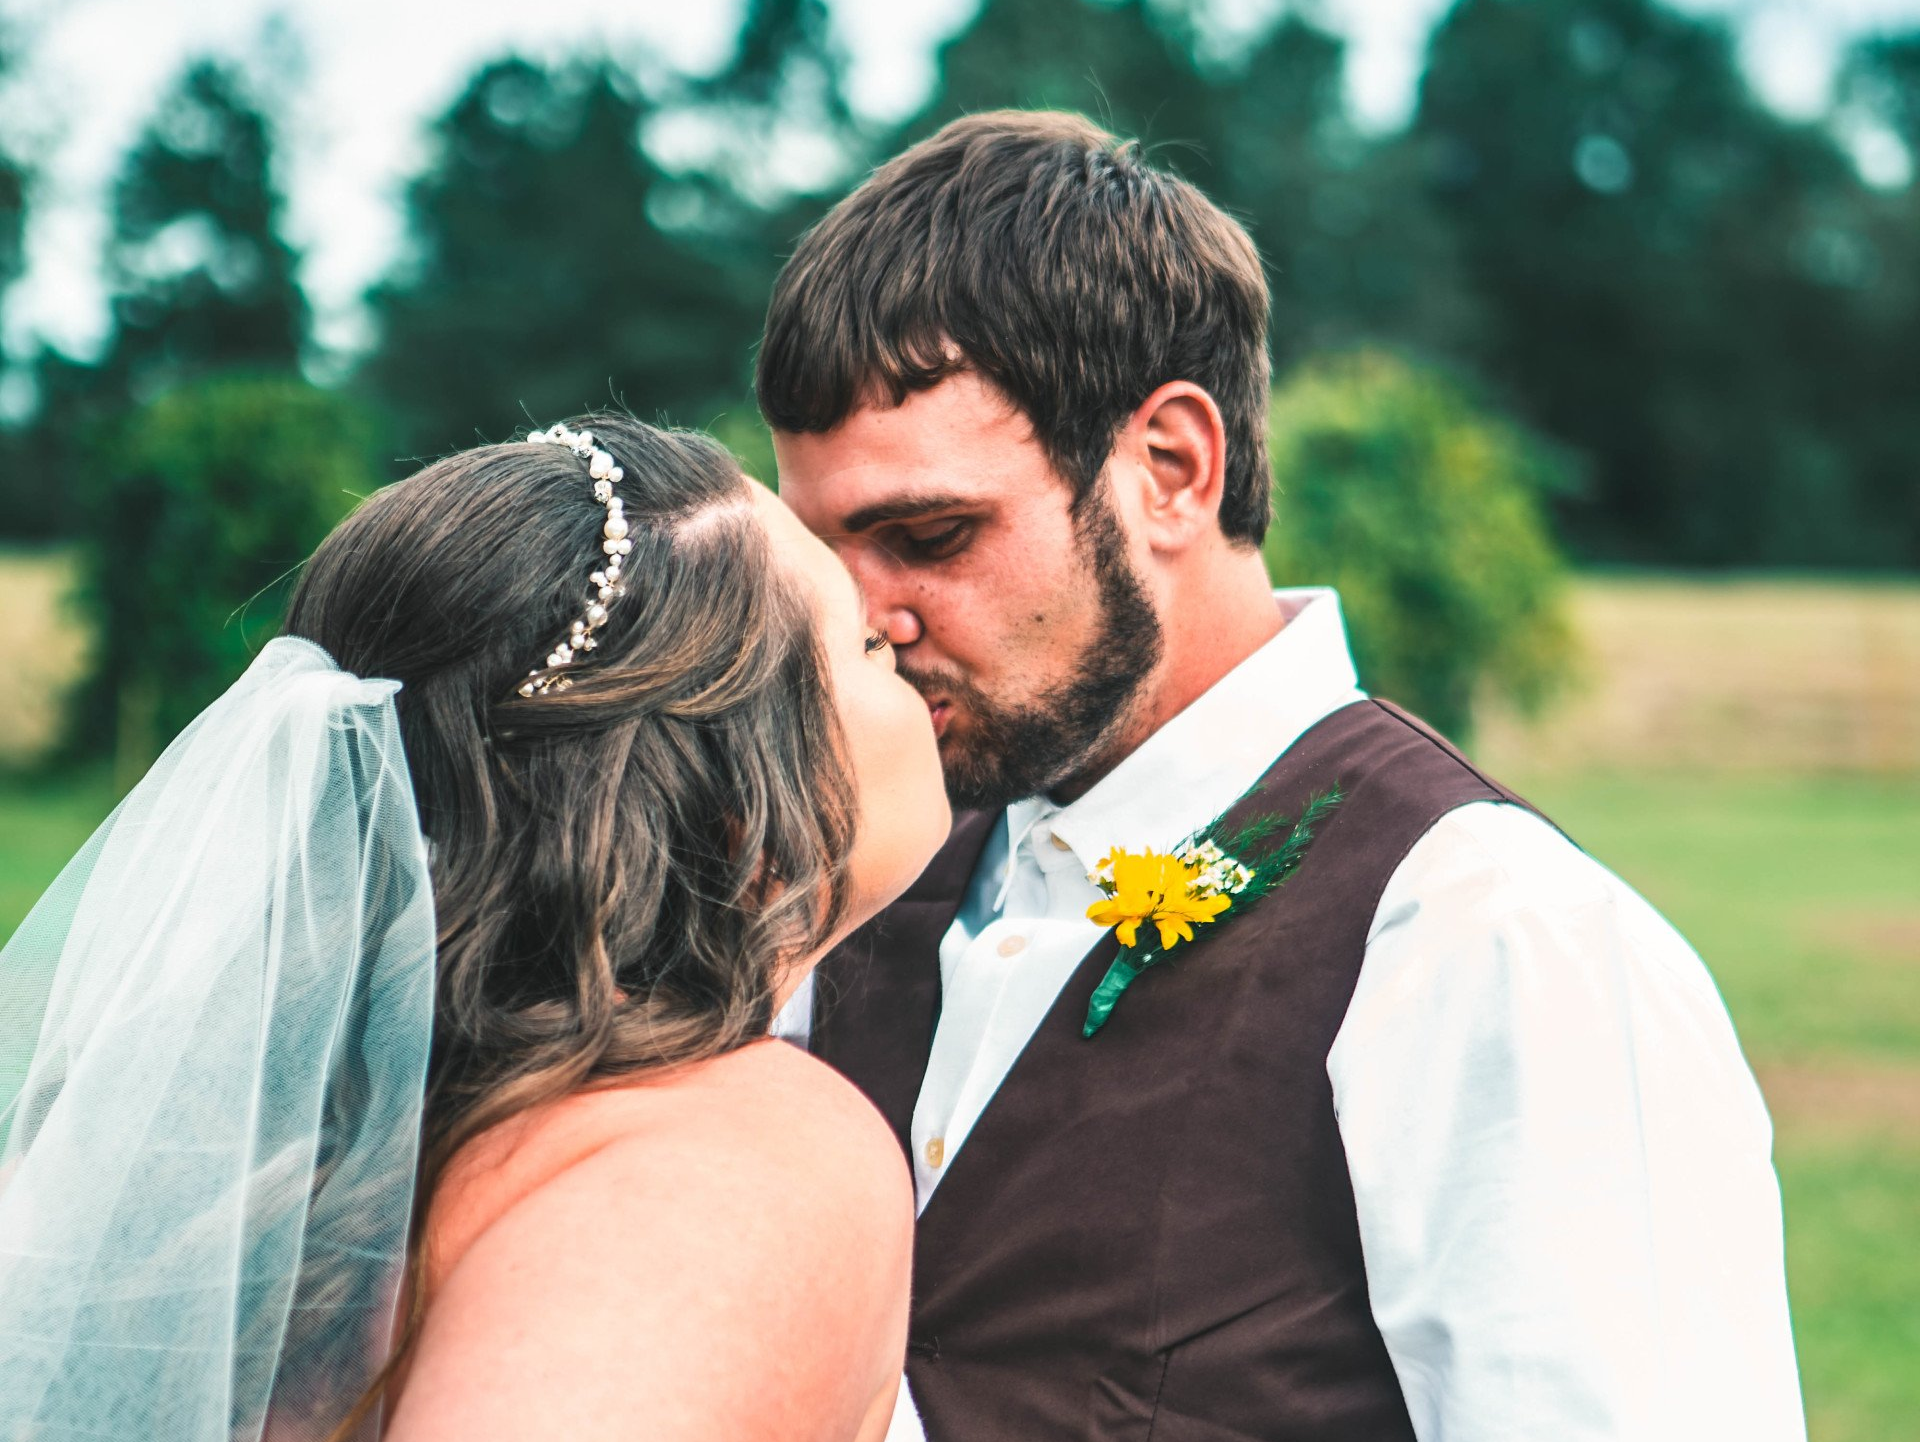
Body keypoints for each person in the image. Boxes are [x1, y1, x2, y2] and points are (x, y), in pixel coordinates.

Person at [758, 110, 1807, 1442]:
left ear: (1171, 469)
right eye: (826, 551)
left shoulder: (1493, 939)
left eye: (929, 533)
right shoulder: (863, 879)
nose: (866, 614)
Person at [0, 416, 949, 1441]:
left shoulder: (277, 1156)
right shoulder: (724, 1164)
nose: (899, 634)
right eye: (859, 638)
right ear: (743, 810)